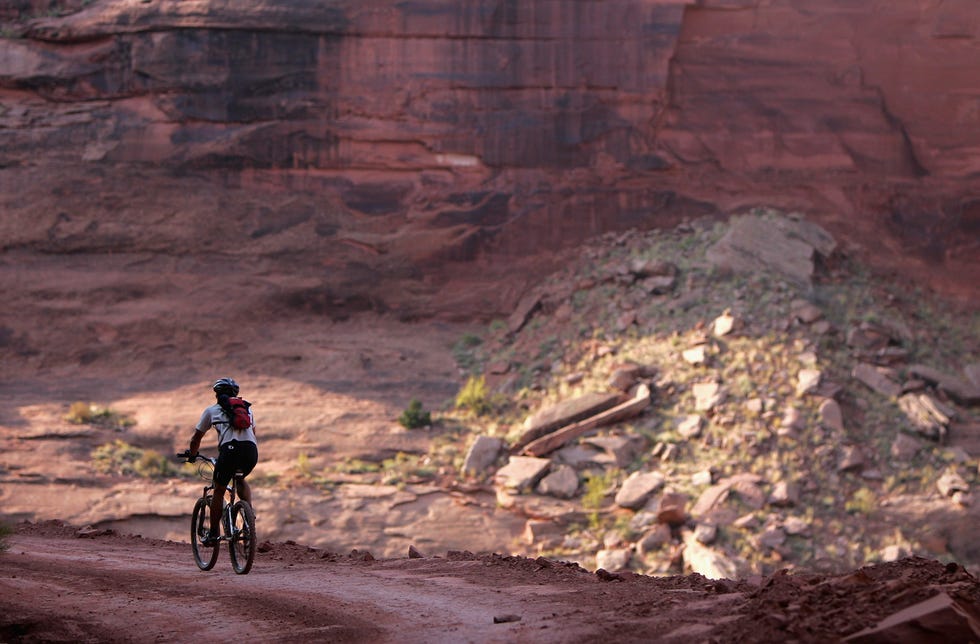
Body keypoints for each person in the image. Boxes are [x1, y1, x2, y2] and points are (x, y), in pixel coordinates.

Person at [186, 377, 258, 546]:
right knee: (240, 478)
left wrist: (192, 454)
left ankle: (212, 533)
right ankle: (249, 518)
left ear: (217, 394)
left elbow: (196, 438)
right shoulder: (248, 410)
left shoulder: (211, 411)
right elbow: (253, 434)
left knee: (218, 489)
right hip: (250, 452)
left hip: (230, 452)